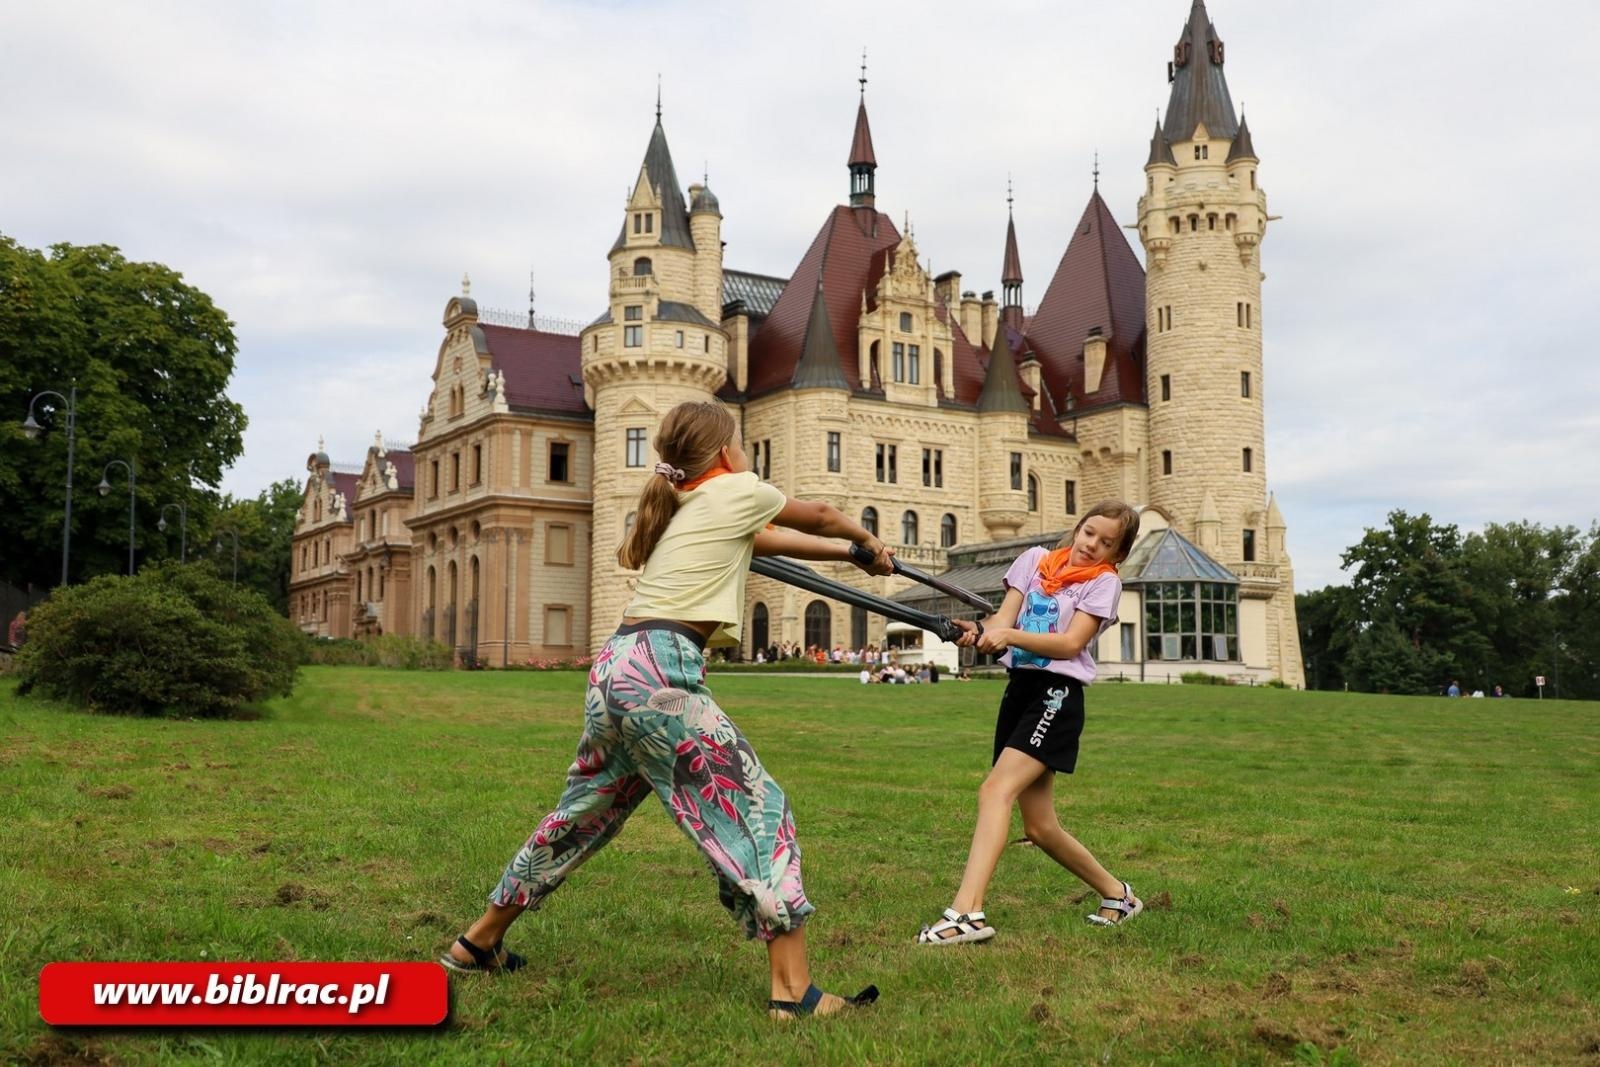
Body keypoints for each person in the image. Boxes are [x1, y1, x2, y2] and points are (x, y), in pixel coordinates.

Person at [440, 401, 891, 1019]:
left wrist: (846, 557)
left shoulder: (687, 505)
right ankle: (795, 993)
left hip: (615, 667)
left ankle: (476, 943)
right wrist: (864, 537)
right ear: (728, 451)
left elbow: (767, 540)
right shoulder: (737, 488)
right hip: (661, 673)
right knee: (759, 809)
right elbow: (821, 513)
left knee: (582, 815)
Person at [918, 501, 1144, 945]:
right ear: (1077, 529)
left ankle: (967, 913)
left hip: (1056, 696)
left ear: (1117, 554)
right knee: (1039, 827)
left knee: (994, 790)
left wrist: (1010, 635)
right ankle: (1119, 897)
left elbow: (1069, 643)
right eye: (1089, 532)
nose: (1091, 545)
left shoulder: (1104, 583)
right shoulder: (1034, 561)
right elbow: (1003, 620)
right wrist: (980, 632)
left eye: (1106, 542)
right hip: (1021, 690)